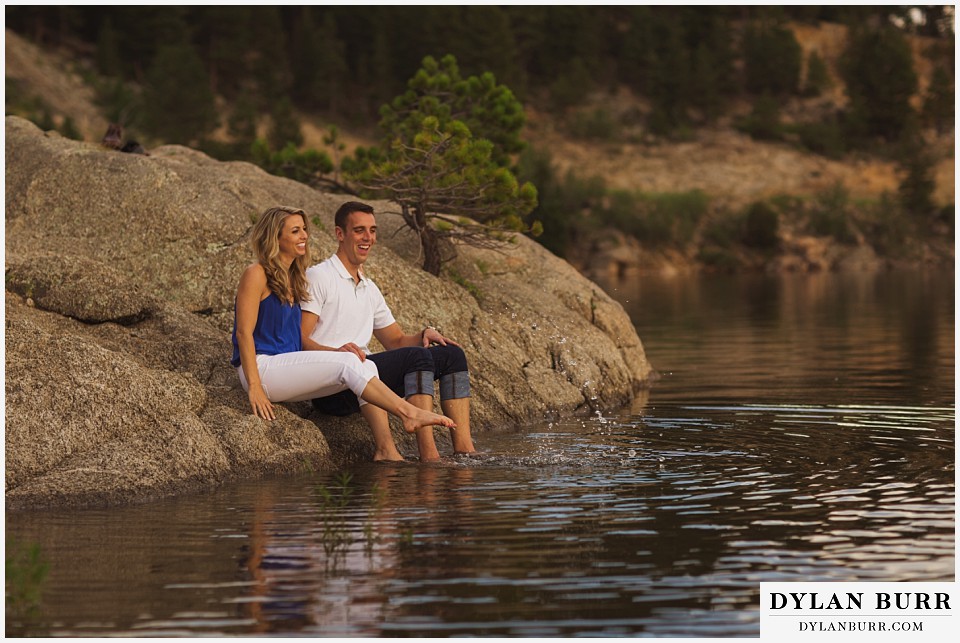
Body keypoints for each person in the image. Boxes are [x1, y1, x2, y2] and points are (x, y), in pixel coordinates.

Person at [231, 205, 455, 451]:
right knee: (348, 363)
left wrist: (336, 352)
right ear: (275, 237)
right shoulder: (256, 273)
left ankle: (387, 452)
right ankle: (408, 412)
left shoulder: (294, 279)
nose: (304, 235)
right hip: (263, 368)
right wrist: (254, 387)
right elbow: (244, 332)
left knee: (361, 361)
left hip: (287, 366)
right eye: (295, 231)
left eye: (305, 229)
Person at [301, 201, 477, 462]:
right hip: (333, 387)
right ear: (340, 234)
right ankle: (429, 457)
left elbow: (395, 341)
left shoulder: (368, 287)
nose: (368, 238)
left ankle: (465, 452)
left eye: (372, 231)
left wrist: (423, 334)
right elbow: (302, 340)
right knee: (416, 359)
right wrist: (338, 353)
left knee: (451, 355)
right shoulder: (319, 276)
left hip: (367, 378)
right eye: (359, 230)